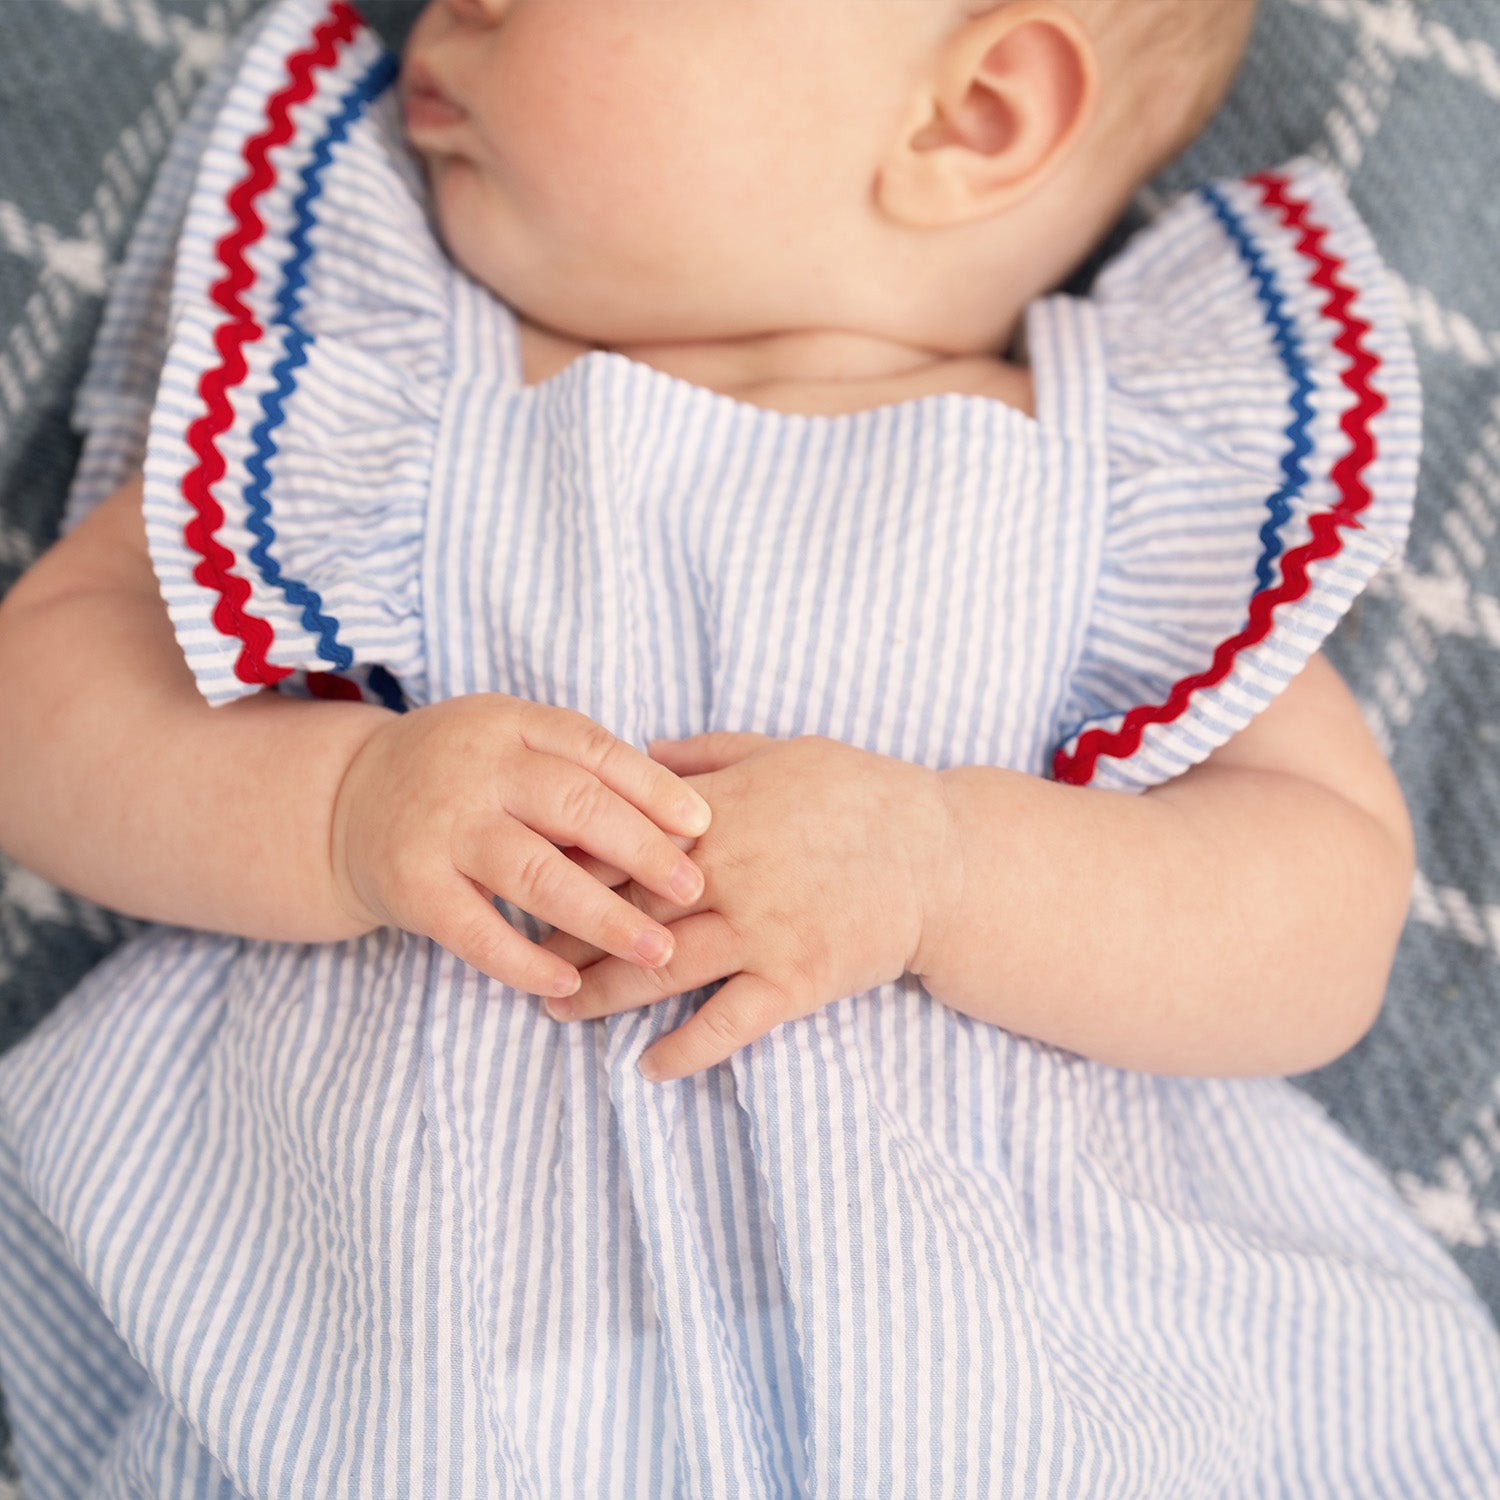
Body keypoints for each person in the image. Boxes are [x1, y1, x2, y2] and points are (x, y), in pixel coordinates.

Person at [1, 0, 1498, 1491]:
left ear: (971, 114)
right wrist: (342, 807)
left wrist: (956, 871)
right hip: (400, 1318)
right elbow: (45, 698)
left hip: (1004, 1348)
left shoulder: (1141, 490)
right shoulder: (376, 397)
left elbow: (1320, 917)